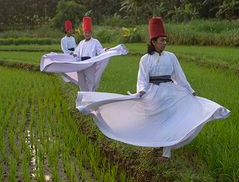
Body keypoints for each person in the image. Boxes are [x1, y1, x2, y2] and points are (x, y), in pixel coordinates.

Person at [76, 17, 230, 158]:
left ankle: (166, 151)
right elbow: (142, 79)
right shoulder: (145, 59)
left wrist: (190, 91)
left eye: (165, 40)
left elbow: (180, 77)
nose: (164, 43)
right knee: (156, 121)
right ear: (154, 41)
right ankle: (157, 143)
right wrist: (141, 91)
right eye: (162, 40)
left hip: (170, 93)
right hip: (153, 93)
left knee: (171, 120)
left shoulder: (171, 56)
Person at [74, 16, 108, 91]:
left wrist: (105, 50)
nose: (87, 34)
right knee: (81, 81)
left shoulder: (95, 42)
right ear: (83, 33)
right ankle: (84, 95)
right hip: (81, 64)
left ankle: (91, 95)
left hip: (90, 64)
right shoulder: (81, 43)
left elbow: (100, 51)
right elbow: (76, 52)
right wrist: (74, 55)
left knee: (91, 81)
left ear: (91, 33)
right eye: (86, 32)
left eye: (89, 32)